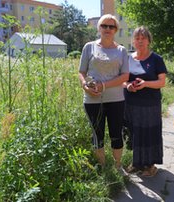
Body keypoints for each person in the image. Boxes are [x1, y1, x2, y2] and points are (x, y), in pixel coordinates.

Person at [78, 14, 129, 170]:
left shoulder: (121, 50)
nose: (107, 29)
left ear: (116, 30)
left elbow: (125, 76)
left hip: (116, 99)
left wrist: (104, 86)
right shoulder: (89, 47)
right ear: (99, 28)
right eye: (104, 26)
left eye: (111, 26)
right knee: (97, 135)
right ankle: (102, 167)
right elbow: (81, 72)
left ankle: (118, 167)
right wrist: (85, 85)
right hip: (93, 100)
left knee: (116, 134)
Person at [124, 26, 167, 177]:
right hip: (130, 103)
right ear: (133, 41)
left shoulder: (156, 59)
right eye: (137, 38)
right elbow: (122, 80)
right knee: (134, 133)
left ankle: (150, 166)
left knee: (149, 133)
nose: (140, 41)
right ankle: (137, 163)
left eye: (143, 38)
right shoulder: (127, 58)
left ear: (149, 40)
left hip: (150, 105)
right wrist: (128, 85)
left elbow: (162, 82)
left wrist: (146, 84)